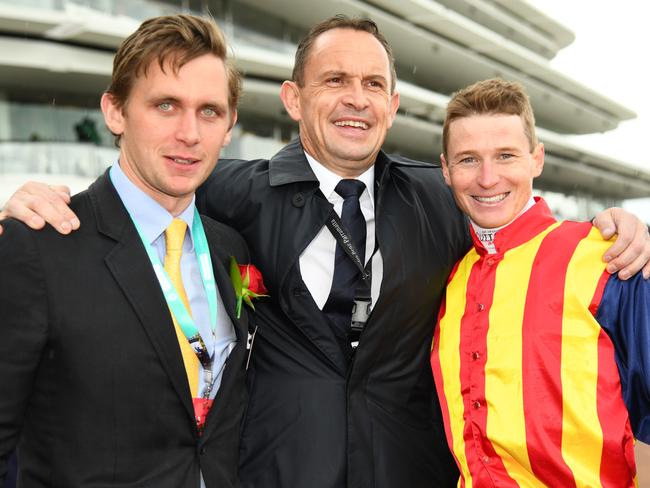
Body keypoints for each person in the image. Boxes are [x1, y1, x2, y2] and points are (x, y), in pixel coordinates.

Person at [2, 15, 649, 488]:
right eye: (335, 79)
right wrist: (37, 199)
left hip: (410, 473)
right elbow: (139, 195)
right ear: (293, 98)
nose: (355, 98)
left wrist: (616, 224)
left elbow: (510, 215)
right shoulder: (232, 191)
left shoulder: (439, 194)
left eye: (373, 83)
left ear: (393, 105)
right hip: (277, 472)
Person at [0, 14, 252, 488]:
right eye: (165, 106)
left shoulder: (231, 249)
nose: (189, 134)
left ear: (230, 125)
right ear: (115, 112)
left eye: (209, 111)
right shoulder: (38, 245)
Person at [431, 78, 650, 487]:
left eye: (506, 156)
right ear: (445, 169)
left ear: (537, 159)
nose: (488, 177)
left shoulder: (608, 257)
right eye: (468, 160)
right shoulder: (450, 280)